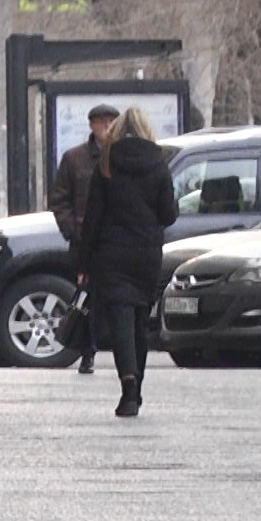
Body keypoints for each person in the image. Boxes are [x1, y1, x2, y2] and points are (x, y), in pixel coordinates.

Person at [74, 108, 176, 418]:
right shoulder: (159, 163)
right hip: (146, 254)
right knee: (140, 321)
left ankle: (128, 385)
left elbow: (93, 216)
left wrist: (83, 260)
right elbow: (168, 214)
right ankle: (137, 387)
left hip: (112, 253)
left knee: (120, 319)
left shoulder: (106, 161)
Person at [51, 103, 118, 373]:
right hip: (84, 242)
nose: (106, 127)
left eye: (111, 121)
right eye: (101, 122)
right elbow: (59, 199)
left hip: (115, 240)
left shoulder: (123, 156)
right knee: (86, 300)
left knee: (117, 300)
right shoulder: (74, 159)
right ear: (91, 125)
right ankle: (87, 351)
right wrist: (73, 230)